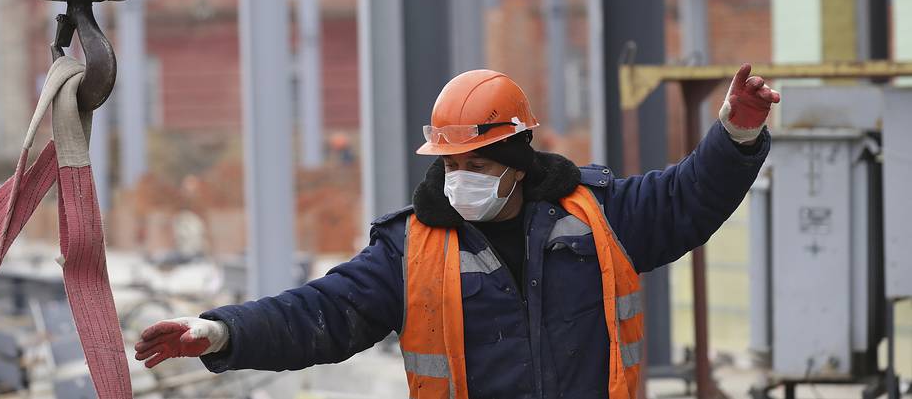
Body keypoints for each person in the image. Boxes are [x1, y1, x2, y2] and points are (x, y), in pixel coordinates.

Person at [135, 64, 779, 399]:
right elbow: (322, 313)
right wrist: (223, 333)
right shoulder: (410, 251)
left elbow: (689, 198)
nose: (461, 177)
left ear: (518, 157)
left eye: (477, 163)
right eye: (451, 164)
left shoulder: (597, 216)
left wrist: (738, 130)